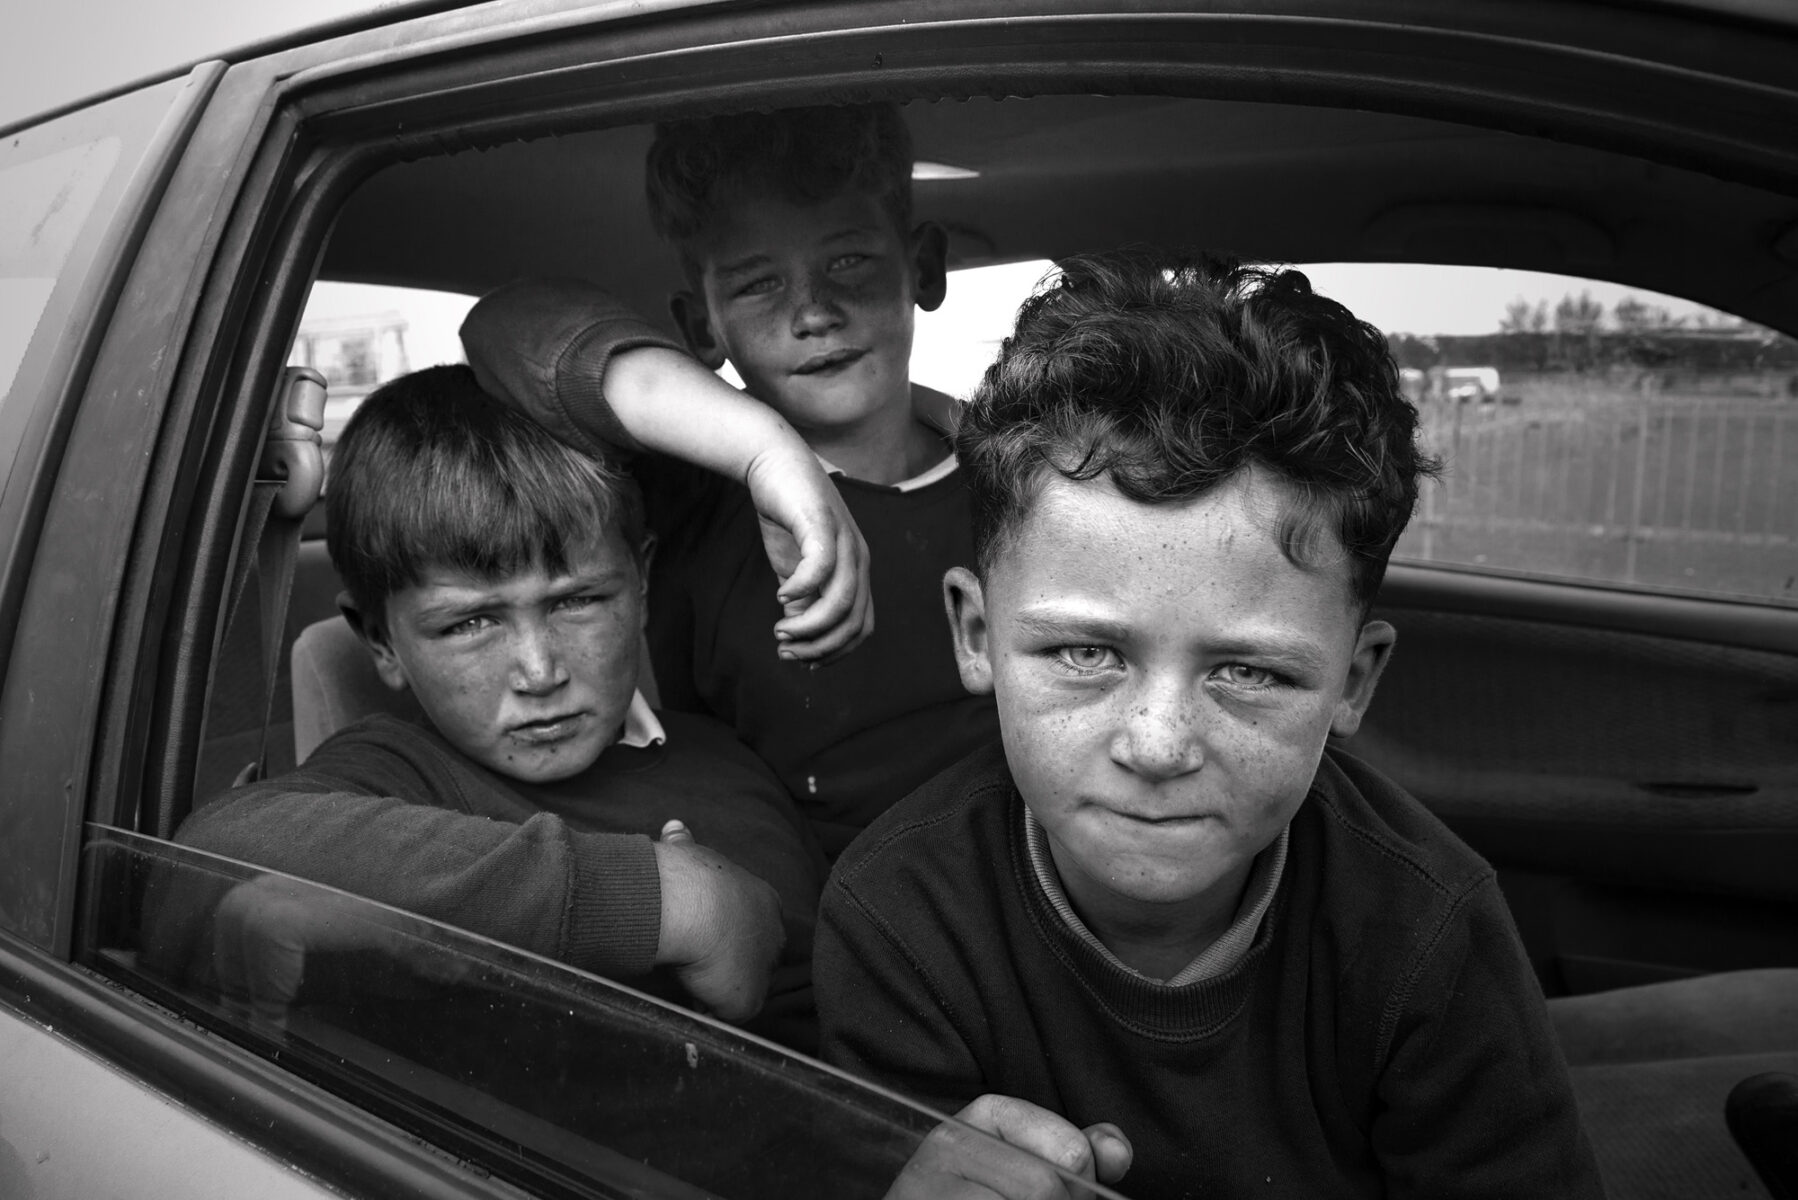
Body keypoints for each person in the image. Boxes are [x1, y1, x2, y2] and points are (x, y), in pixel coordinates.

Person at [815, 252, 1607, 1198]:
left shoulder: (1425, 930)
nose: (1156, 745)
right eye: (1084, 654)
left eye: (1248, 671)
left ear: (1353, 682)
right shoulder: (899, 919)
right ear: (976, 634)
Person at [144, 364, 831, 1048]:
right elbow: (208, 856)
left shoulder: (725, 754)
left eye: (577, 601)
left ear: (642, 583)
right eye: (470, 624)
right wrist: (655, 899)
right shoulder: (398, 778)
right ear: (381, 640)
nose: (539, 672)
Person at [461, 102, 1000, 858]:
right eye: (758, 285)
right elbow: (506, 323)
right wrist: (765, 453)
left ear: (925, 266)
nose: (813, 312)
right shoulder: (688, 497)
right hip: (814, 913)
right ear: (701, 328)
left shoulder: (1015, 474)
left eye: (847, 261)